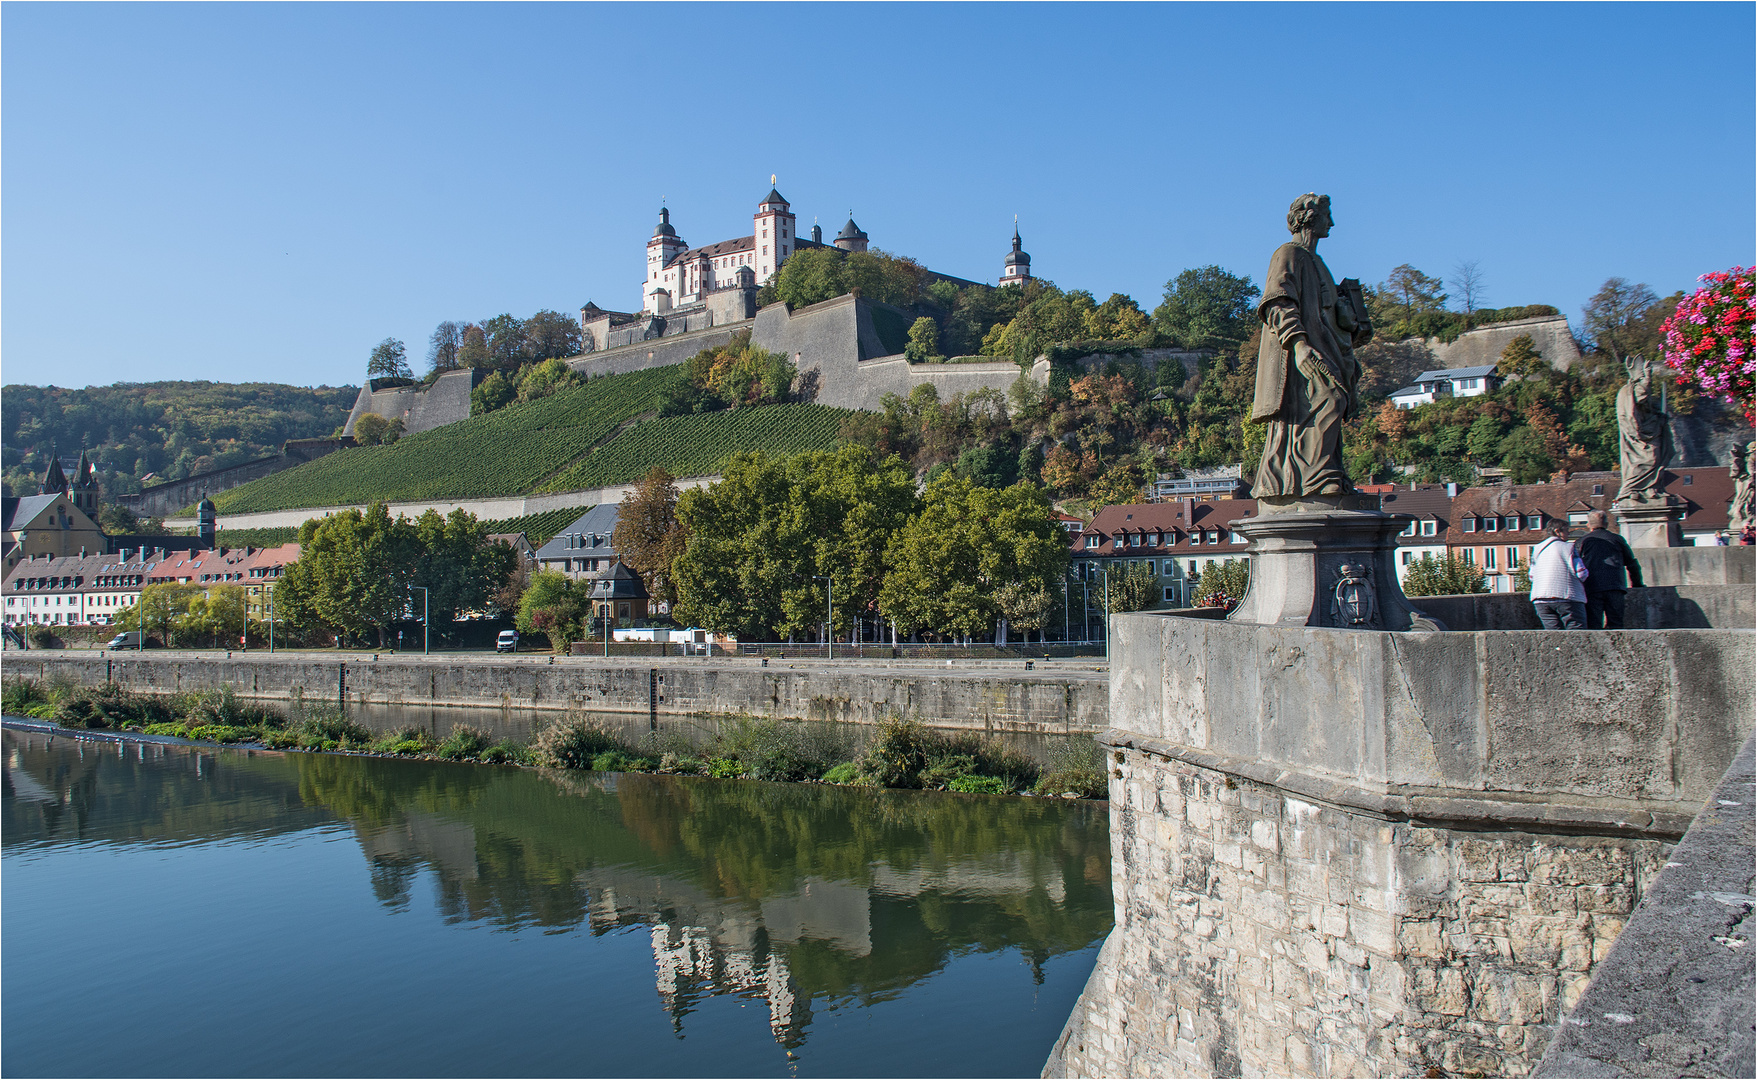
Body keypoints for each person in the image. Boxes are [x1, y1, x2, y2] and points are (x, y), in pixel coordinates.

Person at [1250, 193, 1373, 499]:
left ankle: (1325, 475)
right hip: (1300, 354)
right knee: (1328, 401)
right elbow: (1277, 303)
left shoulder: (1318, 262)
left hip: (1327, 349)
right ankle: (1315, 479)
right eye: (1326, 215)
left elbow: (1330, 317)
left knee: (1334, 403)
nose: (1331, 222)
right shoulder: (1288, 254)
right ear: (1309, 217)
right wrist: (1299, 344)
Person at [1576, 511, 1644, 629]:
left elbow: (1574, 566)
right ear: (1606, 524)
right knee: (1616, 624)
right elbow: (1632, 564)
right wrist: (1637, 584)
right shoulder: (1617, 539)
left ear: (1588, 524)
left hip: (1591, 587)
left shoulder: (1582, 542)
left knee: (1593, 624)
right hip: (1615, 586)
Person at [1529, 524, 1586, 629]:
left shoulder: (1537, 548)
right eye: (1566, 530)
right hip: (1567, 597)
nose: (1569, 533)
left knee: (1553, 636)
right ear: (1557, 531)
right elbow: (1581, 573)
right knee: (1577, 632)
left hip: (1540, 599)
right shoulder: (1569, 547)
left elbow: (1531, 576)